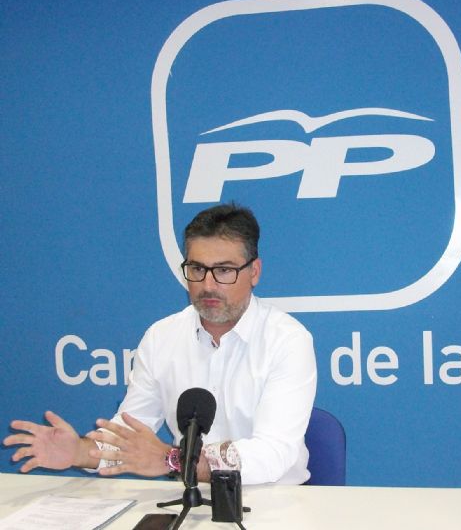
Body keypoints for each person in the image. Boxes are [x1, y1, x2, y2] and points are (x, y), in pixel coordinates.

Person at [4, 203, 317, 485]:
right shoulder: (162, 336)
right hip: (189, 498)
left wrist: (173, 460)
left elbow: (272, 454)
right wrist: (80, 452)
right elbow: (130, 433)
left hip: (274, 501)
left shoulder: (287, 340)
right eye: (197, 269)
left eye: (223, 270)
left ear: (254, 272)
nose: (207, 285)